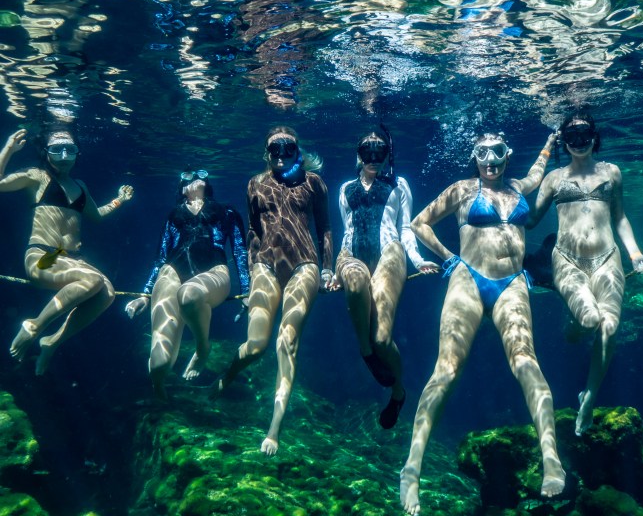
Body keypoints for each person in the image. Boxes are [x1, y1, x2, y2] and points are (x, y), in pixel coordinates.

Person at [400, 130, 565, 516]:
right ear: (474, 157)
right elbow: (419, 223)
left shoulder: (517, 186)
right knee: (447, 369)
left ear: (507, 155)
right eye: (482, 154)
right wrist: (448, 258)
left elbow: (539, 172)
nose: (490, 161)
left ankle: (551, 459)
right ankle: (412, 468)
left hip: (513, 283)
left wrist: (550, 142)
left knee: (526, 363)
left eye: (497, 154)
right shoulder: (461, 189)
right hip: (468, 279)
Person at [528, 111, 643, 436]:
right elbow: (528, 219)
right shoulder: (554, 178)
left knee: (609, 327)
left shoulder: (612, 172)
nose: (579, 142)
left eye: (584, 134)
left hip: (608, 259)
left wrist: (635, 253)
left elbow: (621, 218)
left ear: (594, 136)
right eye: (571, 136)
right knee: (589, 320)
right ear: (563, 142)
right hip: (567, 261)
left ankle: (590, 394)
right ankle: (574, 323)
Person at [216, 126, 333, 455]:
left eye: (288, 148)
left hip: (304, 264)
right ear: (266, 153)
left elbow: (324, 228)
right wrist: (254, 266)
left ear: (298, 150)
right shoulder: (255, 183)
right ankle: (228, 375)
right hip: (265, 266)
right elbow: (253, 228)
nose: (281, 155)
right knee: (255, 346)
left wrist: (326, 269)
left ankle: (274, 429)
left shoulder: (314, 183)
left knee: (286, 341)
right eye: (274, 149)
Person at [0, 127, 133, 374]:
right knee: (92, 279)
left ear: (76, 153)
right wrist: (8, 148)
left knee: (108, 294)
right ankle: (35, 326)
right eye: (56, 149)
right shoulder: (36, 176)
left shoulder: (79, 185)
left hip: (72, 260)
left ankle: (52, 342)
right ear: (46, 152)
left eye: (69, 150)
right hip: (42, 256)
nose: (63, 155)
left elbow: (97, 216)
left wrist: (119, 201)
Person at [331, 127, 438, 428]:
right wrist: (336, 270)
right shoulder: (345, 189)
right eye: (368, 152)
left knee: (382, 338)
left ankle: (398, 391)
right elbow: (346, 230)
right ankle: (365, 352)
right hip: (351, 255)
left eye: (380, 152)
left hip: (390, 253)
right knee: (353, 283)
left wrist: (416, 260)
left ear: (389, 154)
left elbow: (406, 228)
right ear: (359, 155)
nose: (374, 158)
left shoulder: (398, 184)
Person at [125, 170, 249, 398]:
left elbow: (240, 250)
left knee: (189, 294)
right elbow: (161, 256)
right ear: (181, 187)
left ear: (208, 183)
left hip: (214, 271)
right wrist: (145, 294)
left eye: (200, 174)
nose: (195, 178)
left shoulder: (227, 211)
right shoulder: (175, 214)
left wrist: (247, 290)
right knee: (159, 364)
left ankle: (203, 348)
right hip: (172, 271)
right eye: (189, 175)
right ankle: (159, 389)